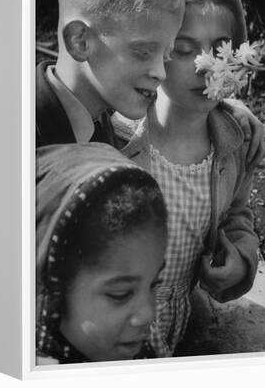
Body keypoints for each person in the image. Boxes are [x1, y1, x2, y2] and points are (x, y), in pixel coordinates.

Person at [112, 0, 261, 357]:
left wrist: (242, 261)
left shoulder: (236, 141)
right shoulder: (113, 138)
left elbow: (236, 215)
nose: (204, 66)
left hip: (179, 325)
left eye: (219, 50)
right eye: (183, 48)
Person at [36, 0, 265, 161]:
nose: (161, 73)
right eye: (143, 52)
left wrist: (228, 109)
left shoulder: (104, 121)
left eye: (167, 55)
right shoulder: (19, 134)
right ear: (80, 41)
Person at [36, 143, 168, 364]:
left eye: (154, 285)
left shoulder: (144, 353)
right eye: (120, 294)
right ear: (54, 289)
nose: (148, 315)